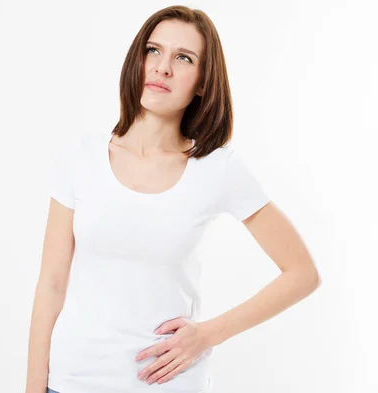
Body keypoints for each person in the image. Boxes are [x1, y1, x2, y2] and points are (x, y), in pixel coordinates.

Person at [25, 5, 320, 393]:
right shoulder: (81, 158)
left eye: (183, 58)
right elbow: (51, 285)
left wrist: (208, 334)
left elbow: (302, 274)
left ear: (201, 82)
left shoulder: (217, 167)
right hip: (73, 381)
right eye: (153, 50)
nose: (163, 67)